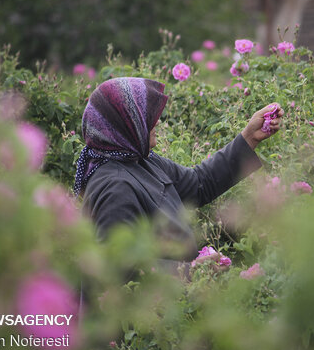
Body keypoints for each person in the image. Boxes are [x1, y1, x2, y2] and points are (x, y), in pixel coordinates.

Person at [74, 77, 283, 264]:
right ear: (126, 124)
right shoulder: (116, 188)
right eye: (146, 115)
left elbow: (199, 184)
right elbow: (118, 274)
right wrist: (190, 274)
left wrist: (249, 137)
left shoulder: (140, 160)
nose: (157, 121)